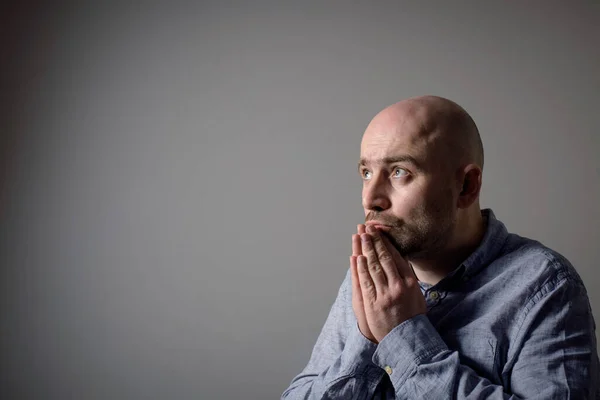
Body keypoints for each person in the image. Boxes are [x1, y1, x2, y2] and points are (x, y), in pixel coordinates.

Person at [281, 96, 599, 399]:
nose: (370, 198)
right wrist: (365, 340)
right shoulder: (367, 280)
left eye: (399, 172)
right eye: (366, 172)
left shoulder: (546, 287)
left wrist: (401, 335)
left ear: (466, 187)